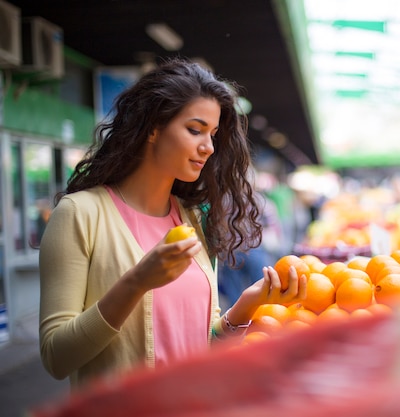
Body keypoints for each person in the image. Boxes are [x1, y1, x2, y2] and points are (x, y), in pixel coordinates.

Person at [38, 58, 306, 389]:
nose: (208, 147)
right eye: (195, 130)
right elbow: (56, 357)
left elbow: (203, 345)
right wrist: (136, 282)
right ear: (153, 127)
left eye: (213, 134)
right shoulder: (80, 214)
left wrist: (249, 303)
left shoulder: (194, 217)